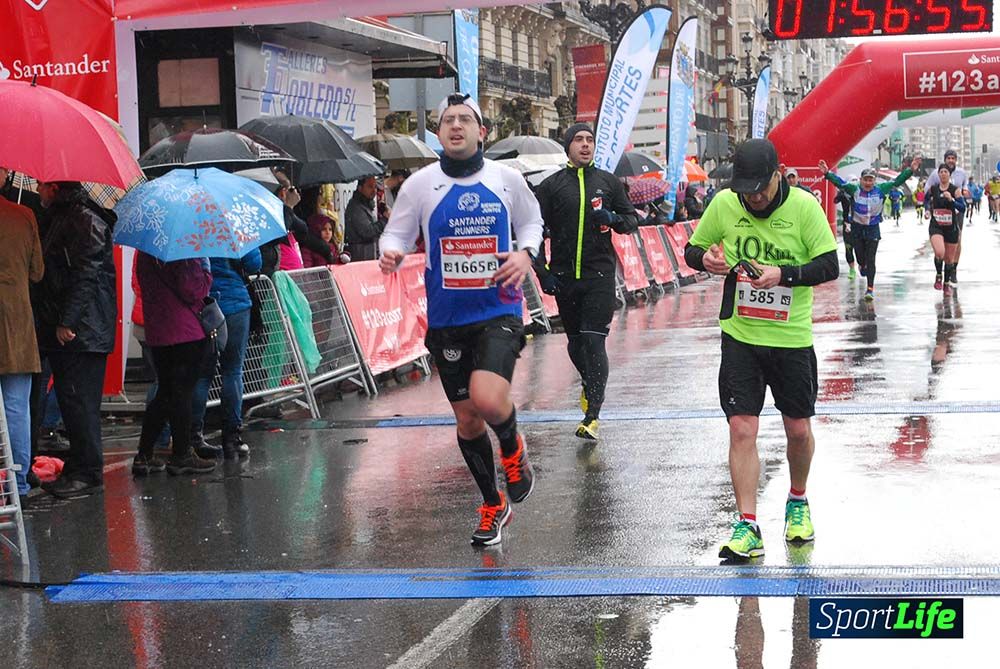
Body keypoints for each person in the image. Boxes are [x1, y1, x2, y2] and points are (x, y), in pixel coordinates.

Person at [379, 93, 543, 547]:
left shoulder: (506, 179)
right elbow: (396, 232)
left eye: (465, 120)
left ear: (481, 131)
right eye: (448, 120)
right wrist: (391, 251)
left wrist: (525, 254)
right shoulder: (420, 184)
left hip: (499, 309)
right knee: (468, 421)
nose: (456, 126)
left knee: (487, 398)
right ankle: (493, 503)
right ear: (438, 133)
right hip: (448, 317)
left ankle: (512, 446)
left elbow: (532, 223)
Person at [684, 138, 839, 560]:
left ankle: (797, 501)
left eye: (760, 189)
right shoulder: (724, 204)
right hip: (741, 335)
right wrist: (706, 261)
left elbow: (829, 265)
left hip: (790, 340)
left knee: (798, 431)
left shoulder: (804, 207)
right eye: (745, 190)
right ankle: (748, 525)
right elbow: (692, 249)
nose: (753, 198)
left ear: (778, 174)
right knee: (741, 428)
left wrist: (783, 275)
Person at [531, 123, 638, 439]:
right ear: (568, 146)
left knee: (594, 340)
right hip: (564, 277)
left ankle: (593, 414)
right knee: (576, 343)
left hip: (599, 275)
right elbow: (532, 231)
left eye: (590, 140)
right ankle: (589, 381)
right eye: (578, 139)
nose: (585, 145)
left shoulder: (607, 182)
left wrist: (613, 219)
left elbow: (631, 221)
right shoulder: (551, 186)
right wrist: (543, 272)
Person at [34, 181, 117, 499]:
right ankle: (80, 467)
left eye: (42, 185)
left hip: (82, 330)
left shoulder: (84, 220)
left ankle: (88, 472)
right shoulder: (68, 217)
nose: (38, 190)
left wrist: (67, 321)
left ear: (54, 187)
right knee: (73, 402)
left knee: (80, 403)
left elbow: (85, 276)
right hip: (77, 327)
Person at [133, 253, 218, 476]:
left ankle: (144, 454)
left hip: (158, 329)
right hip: (185, 330)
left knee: (165, 392)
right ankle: (182, 454)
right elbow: (194, 290)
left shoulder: (145, 252)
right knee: (182, 393)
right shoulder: (185, 251)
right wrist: (206, 271)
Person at [189, 249, 262, 460]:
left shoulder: (192, 233)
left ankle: (194, 437)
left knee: (203, 375)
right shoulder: (233, 230)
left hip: (205, 305)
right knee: (233, 371)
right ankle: (232, 438)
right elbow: (254, 263)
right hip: (235, 304)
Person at [819, 157, 919, 301]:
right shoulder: (854, 189)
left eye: (870, 180)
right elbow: (840, 183)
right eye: (865, 180)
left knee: (871, 259)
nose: (868, 183)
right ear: (861, 180)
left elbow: (897, 181)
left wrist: (910, 170)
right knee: (861, 258)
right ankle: (862, 265)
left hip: (873, 229)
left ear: (874, 181)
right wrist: (827, 173)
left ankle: (870, 289)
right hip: (857, 229)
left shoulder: (881, 189)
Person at [0, 192, 44, 506]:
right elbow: (37, 272)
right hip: (15, 319)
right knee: (17, 407)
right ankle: (18, 486)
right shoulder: (23, 215)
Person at [259, 171, 335, 275]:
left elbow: (302, 229)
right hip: (277, 273)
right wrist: (289, 206)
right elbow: (279, 233)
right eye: (289, 190)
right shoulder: (268, 217)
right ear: (283, 192)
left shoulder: (286, 213)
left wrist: (327, 251)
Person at [924, 150, 967, 285]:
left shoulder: (961, 174)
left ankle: (952, 271)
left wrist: (954, 199)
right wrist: (927, 209)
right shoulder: (934, 177)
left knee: (955, 245)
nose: (951, 160)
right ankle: (939, 274)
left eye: (953, 158)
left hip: (954, 216)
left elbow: (963, 202)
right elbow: (927, 193)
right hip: (937, 220)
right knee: (940, 251)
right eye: (948, 158)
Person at [345, 176, 381, 261]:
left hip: (369, 255)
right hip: (361, 256)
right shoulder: (356, 207)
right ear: (360, 188)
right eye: (370, 186)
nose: (374, 190)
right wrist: (383, 221)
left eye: (375, 187)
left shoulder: (366, 205)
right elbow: (367, 232)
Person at [833, 188, 857, 280]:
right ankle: (852, 269)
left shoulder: (861, 192)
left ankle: (862, 264)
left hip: (860, 224)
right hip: (847, 225)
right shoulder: (844, 194)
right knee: (848, 248)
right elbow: (835, 200)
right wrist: (841, 193)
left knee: (860, 248)